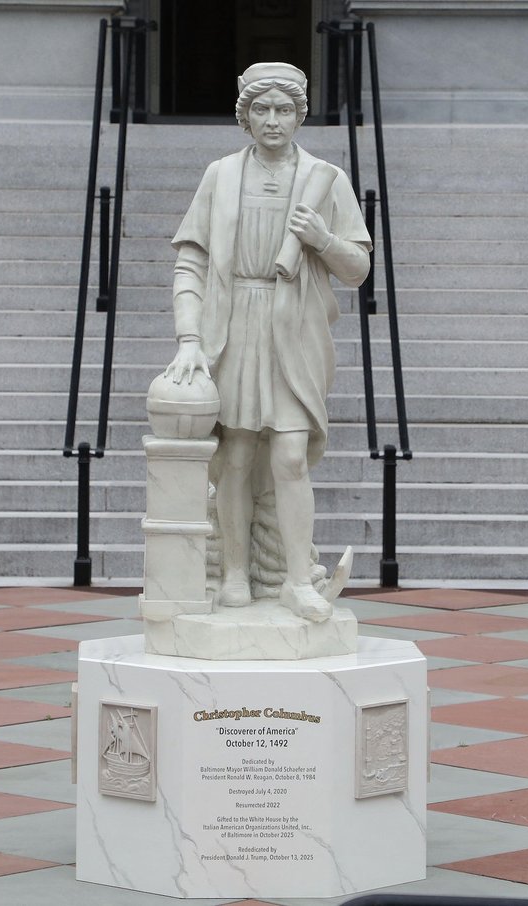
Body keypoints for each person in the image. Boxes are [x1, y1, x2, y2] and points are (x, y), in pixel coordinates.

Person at [162, 62, 371, 622]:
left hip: (294, 331)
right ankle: (234, 574)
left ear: (300, 115)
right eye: (261, 109)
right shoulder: (221, 175)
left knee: (290, 455)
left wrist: (323, 239)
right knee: (235, 455)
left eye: (284, 109)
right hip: (232, 328)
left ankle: (297, 579)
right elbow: (191, 261)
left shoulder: (326, 177)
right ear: (245, 116)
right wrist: (188, 338)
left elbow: (358, 267)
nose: (272, 120)